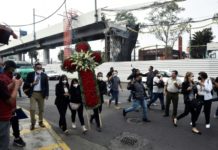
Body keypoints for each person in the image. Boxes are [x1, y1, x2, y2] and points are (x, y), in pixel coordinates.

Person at [0, 60, 23, 150]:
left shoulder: (7, 78)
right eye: (1, 64)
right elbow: (10, 100)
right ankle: (16, 139)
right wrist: (16, 85)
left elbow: (4, 90)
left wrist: (13, 83)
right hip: (3, 115)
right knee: (3, 141)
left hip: (7, 112)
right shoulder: (2, 78)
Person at [25, 62, 49, 130]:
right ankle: (33, 123)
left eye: (40, 68)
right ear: (34, 68)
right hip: (33, 94)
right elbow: (26, 83)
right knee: (32, 109)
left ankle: (40, 122)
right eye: (37, 68)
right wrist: (32, 83)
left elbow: (47, 85)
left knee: (41, 109)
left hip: (41, 94)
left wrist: (47, 94)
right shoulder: (30, 74)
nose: (39, 69)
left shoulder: (44, 75)